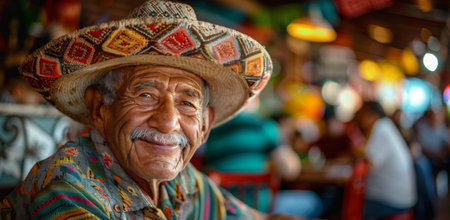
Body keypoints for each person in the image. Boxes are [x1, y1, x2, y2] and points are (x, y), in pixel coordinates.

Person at [0, 1, 307, 219]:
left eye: (188, 102)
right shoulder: (66, 191)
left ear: (204, 125)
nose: (169, 121)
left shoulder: (180, 183)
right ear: (99, 108)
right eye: (145, 94)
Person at [354, 101, 417, 220]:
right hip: (400, 197)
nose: (359, 119)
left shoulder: (380, 127)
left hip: (391, 200)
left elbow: (369, 164)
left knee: (345, 206)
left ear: (371, 115)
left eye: (361, 114)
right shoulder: (386, 126)